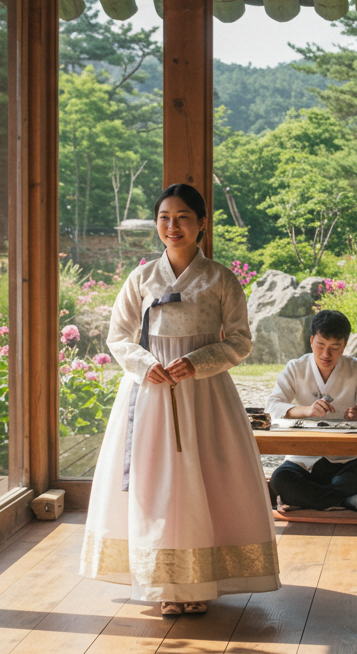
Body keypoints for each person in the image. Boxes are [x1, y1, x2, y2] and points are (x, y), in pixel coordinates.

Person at [80, 184, 279, 616]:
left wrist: (197, 361)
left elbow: (240, 341)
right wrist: (143, 363)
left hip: (205, 394)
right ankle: (165, 584)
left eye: (183, 217)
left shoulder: (220, 279)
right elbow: (118, 337)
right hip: (150, 391)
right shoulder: (141, 278)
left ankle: (199, 581)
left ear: (202, 223)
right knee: (156, 482)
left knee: (206, 479)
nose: (173, 226)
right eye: (164, 217)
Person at [265, 310, 357, 512]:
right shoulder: (295, 368)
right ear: (311, 341)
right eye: (320, 345)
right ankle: (345, 501)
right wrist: (306, 410)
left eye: (334, 347)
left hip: (347, 459)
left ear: (344, 345)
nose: (326, 354)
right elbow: (272, 406)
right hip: (302, 459)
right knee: (280, 479)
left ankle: (307, 499)